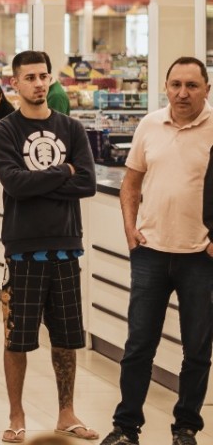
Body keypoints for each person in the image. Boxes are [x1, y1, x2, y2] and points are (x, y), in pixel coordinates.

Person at [98, 57, 213, 445]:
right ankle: (126, 426)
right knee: (138, 346)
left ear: (207, 90)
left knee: (197, 349)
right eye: (176, 84)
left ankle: (185, 427)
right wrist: (131, 231)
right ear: (166, 87)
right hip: (150, 253)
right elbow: (131, 184)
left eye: (192, 86)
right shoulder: (149, 124)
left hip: (201, 256)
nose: (183, 93)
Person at [0, 50, 97, 443]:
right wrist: (62, 170)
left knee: (67, 337)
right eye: (30, 77)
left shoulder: (71, 128)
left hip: (67, 246)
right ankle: (16, 415)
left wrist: (43, 181)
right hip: (22, 248)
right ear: (14, 83)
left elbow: (87, 182)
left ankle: (66, 413)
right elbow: (14, 184)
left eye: (43, 76)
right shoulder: (4, 131)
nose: (38, 83)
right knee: (17, 337)